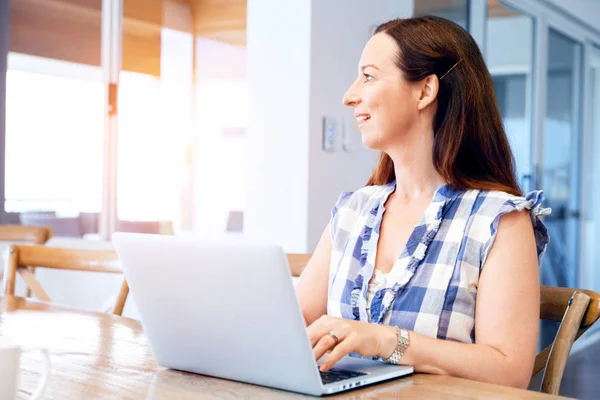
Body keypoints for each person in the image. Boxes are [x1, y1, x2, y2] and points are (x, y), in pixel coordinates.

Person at [295, 15, 550, 389]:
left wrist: (385, 341)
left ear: (425, 91)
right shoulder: (353, 211)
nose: (349, 95)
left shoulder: (500, 220)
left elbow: (509, 369)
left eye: (368, 76)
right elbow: (292, 325)